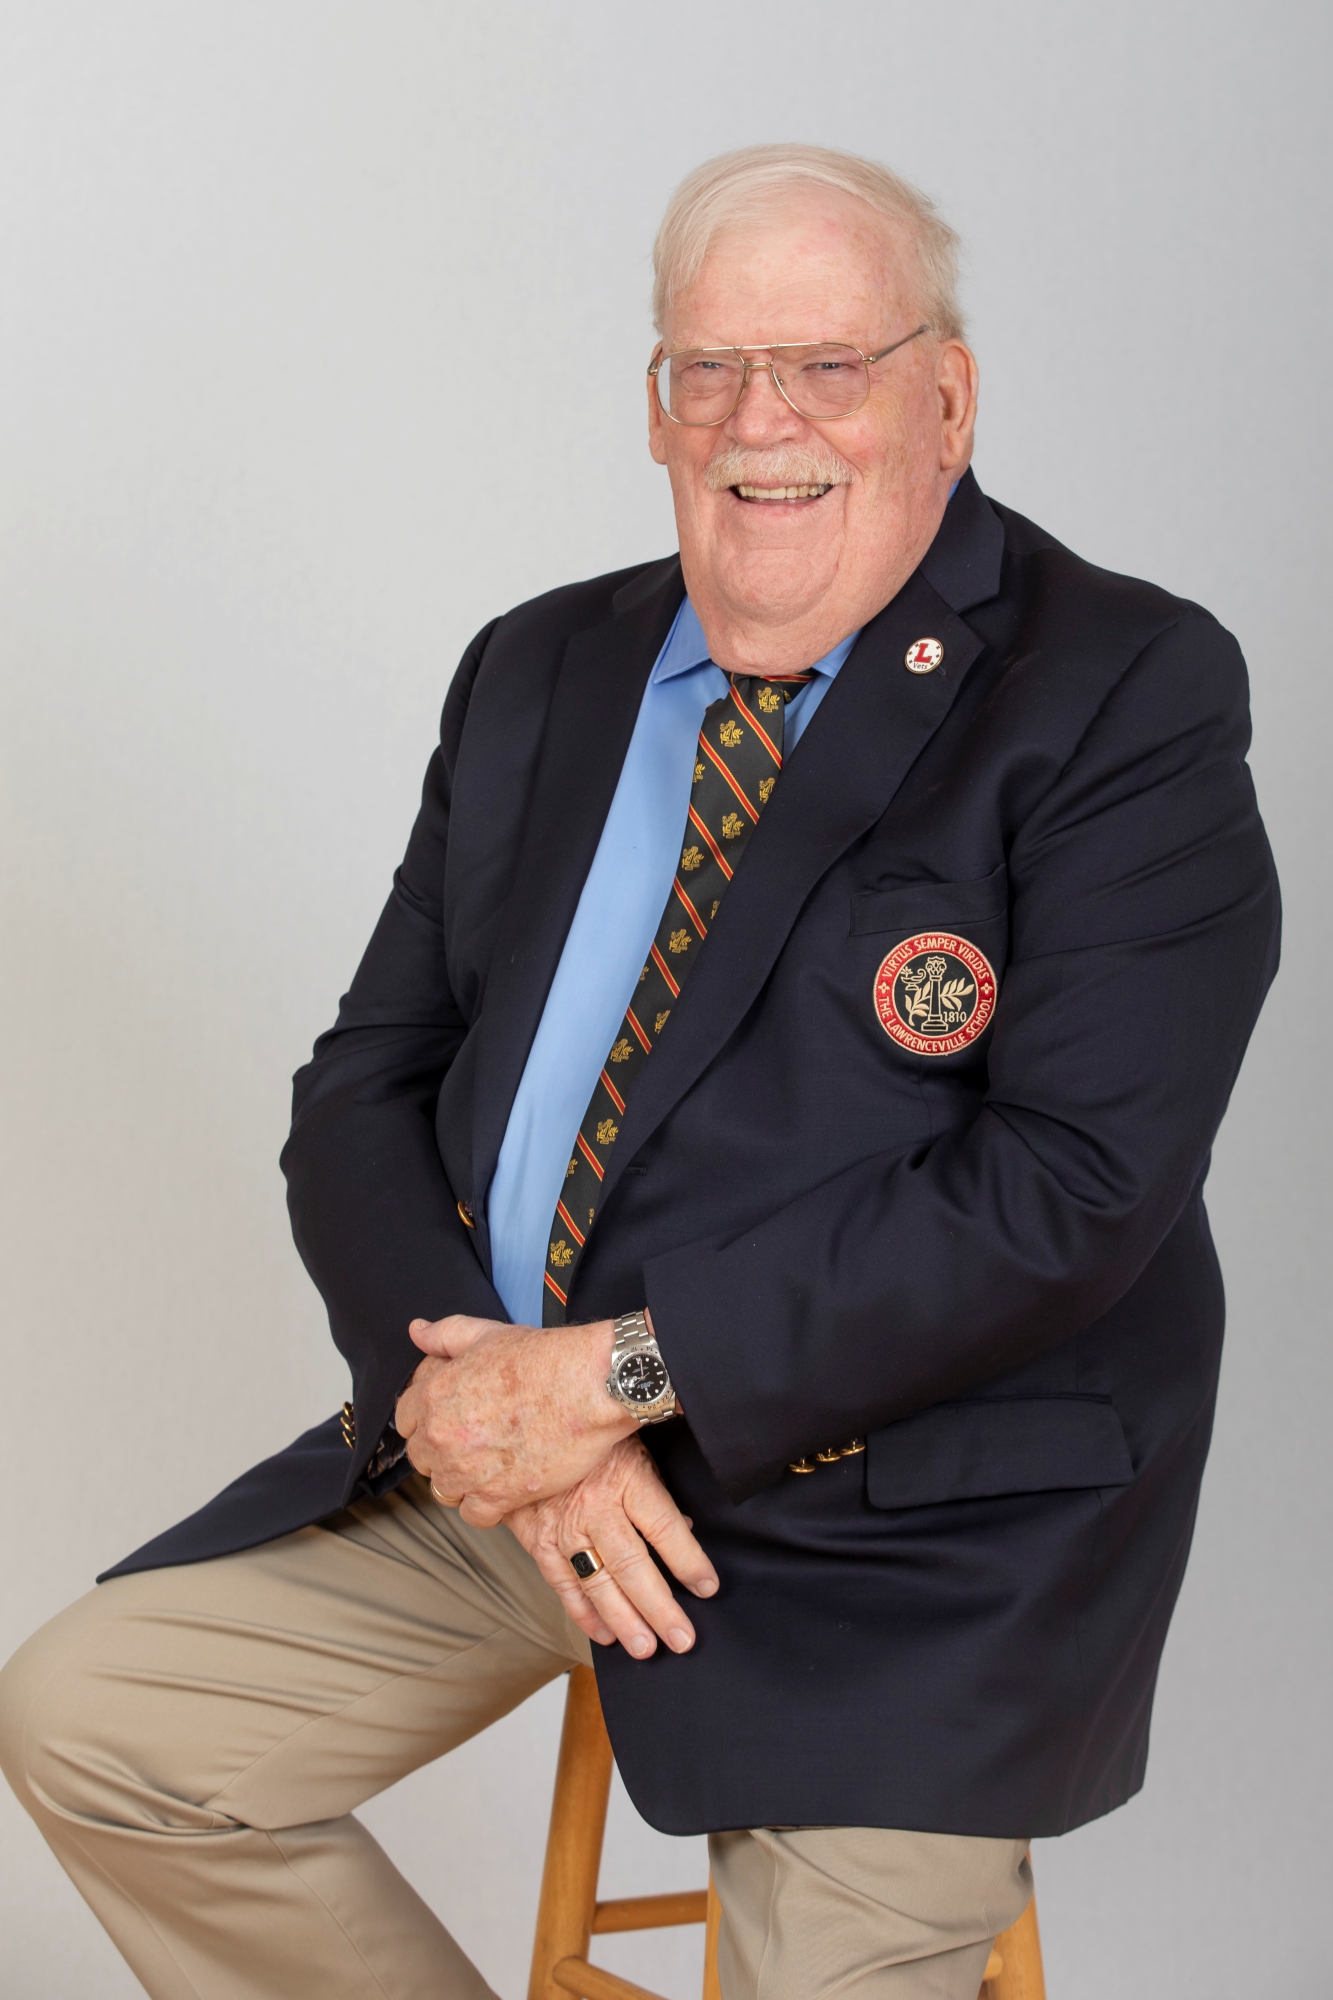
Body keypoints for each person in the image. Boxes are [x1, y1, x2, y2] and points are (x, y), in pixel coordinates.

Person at [0, 143, 1279, 2000]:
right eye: (708, 368)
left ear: (948, 393)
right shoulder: (541, 669)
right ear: (657, 405)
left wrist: (615, 1374)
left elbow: (1070, 1193)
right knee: (107, 1724)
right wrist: (503, 1422)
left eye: (826, 364)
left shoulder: (1119, 688)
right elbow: (363, 1085)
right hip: (531, 1463)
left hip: (913, 1525)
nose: (762, 420)